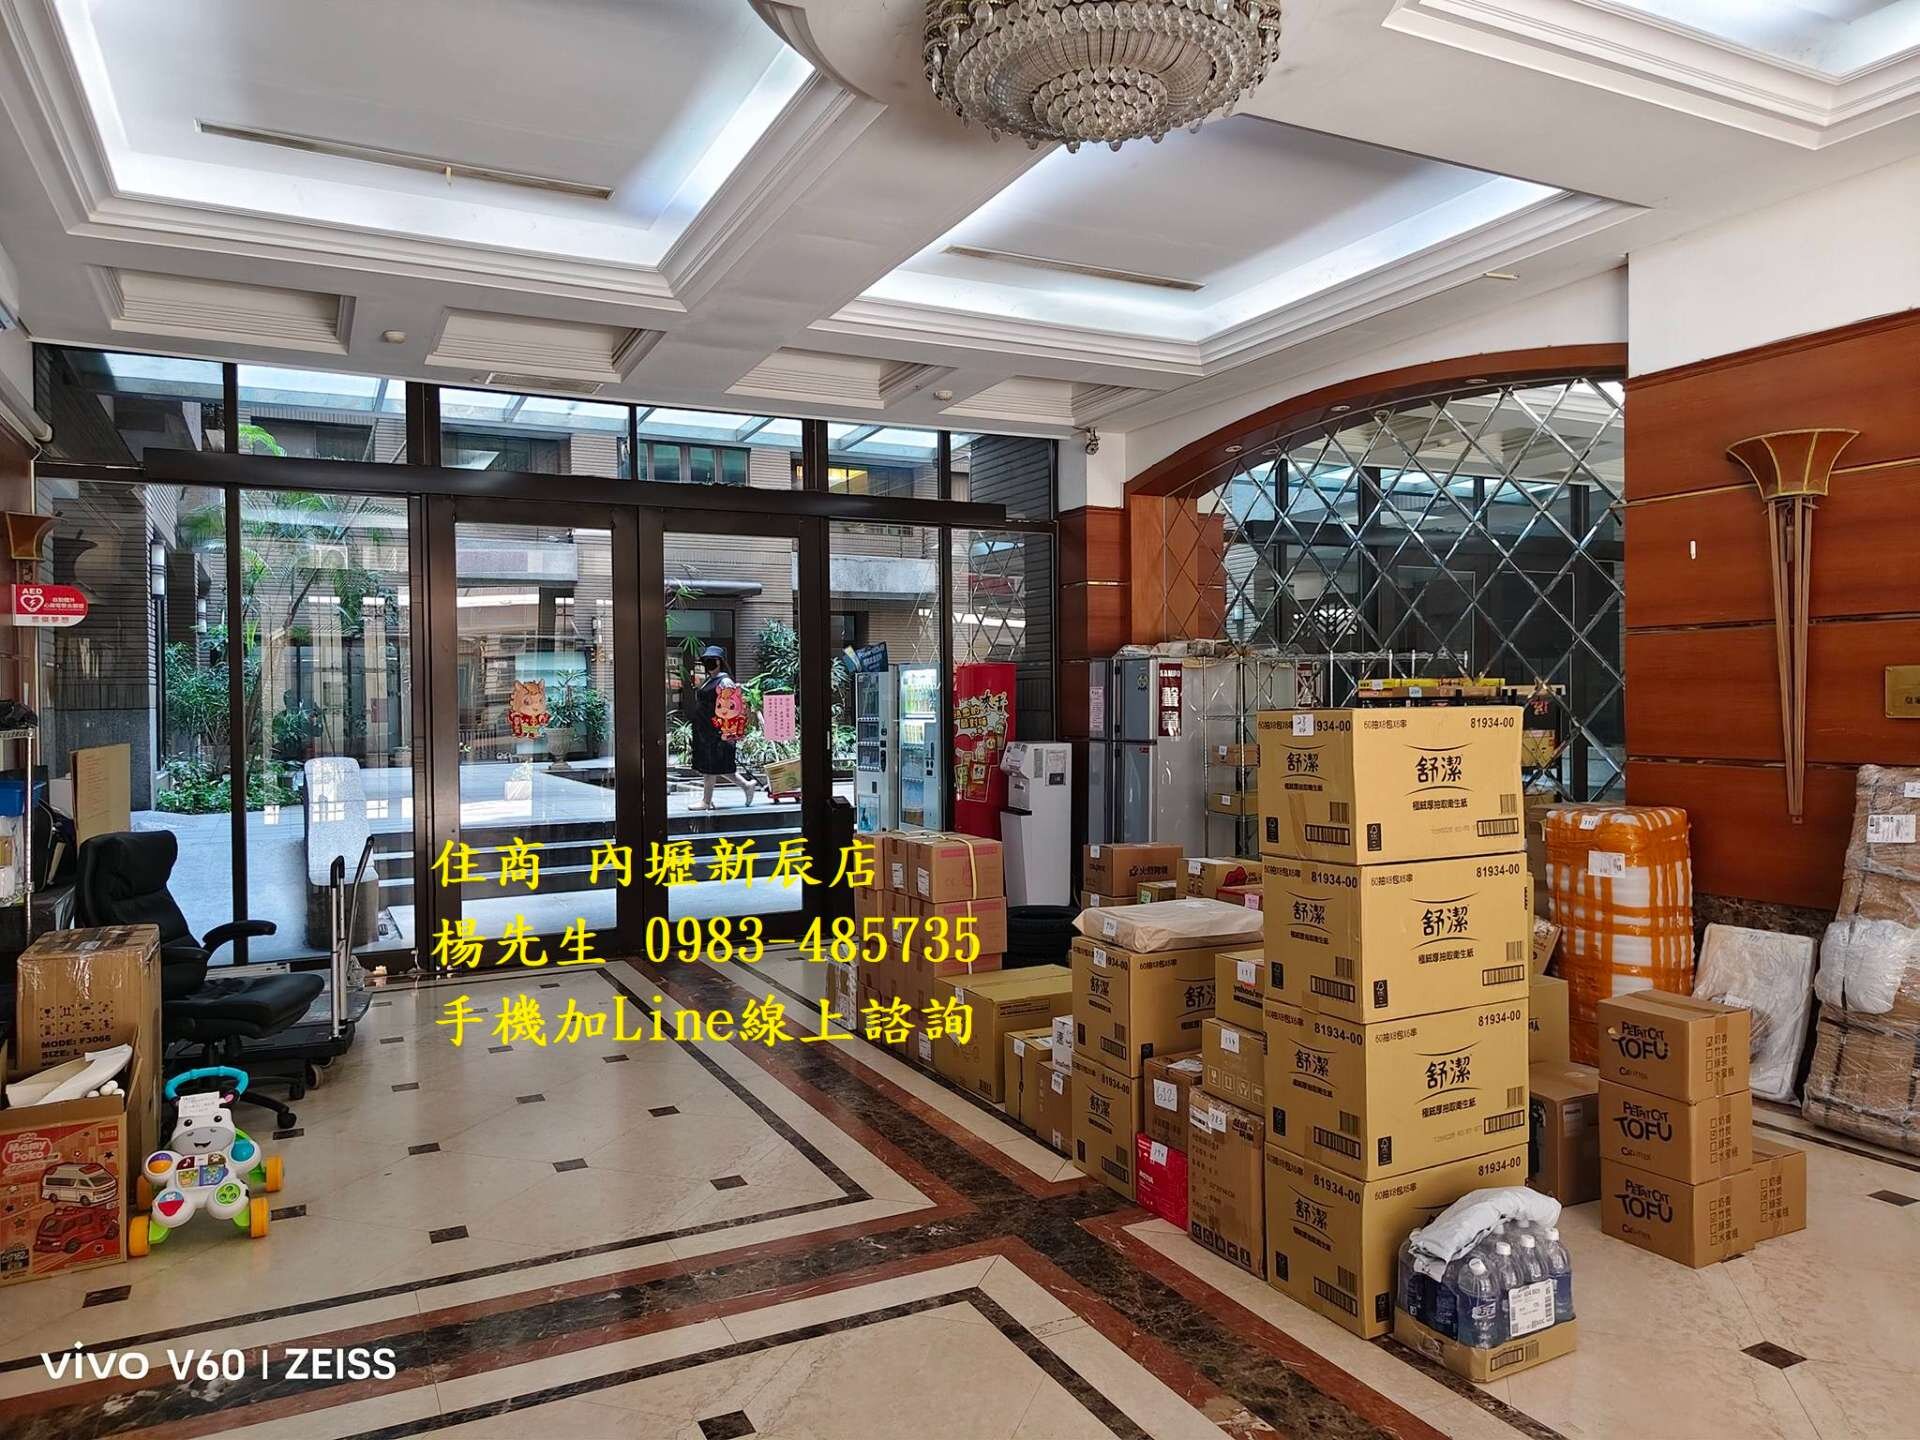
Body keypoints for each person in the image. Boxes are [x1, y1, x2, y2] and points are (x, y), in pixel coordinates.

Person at [688, 645, 759, 810]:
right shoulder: (709, 680)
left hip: (716, 732)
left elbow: (732, 709)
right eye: (706, 660)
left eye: (711, 660)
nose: (708, 663)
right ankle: (747, 786)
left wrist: (726, 731)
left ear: (719, 662)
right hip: (705, 730)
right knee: (717, 766)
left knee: (711, 766)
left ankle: (706, 801)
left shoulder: (725, 682)